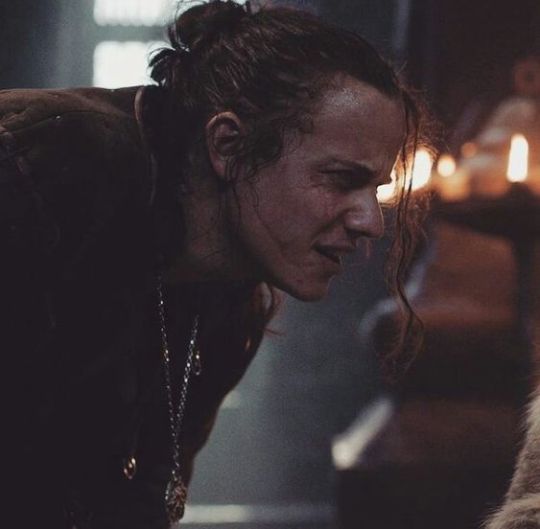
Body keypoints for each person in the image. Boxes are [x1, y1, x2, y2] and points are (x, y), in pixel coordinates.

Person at [0, 1, 425, 528]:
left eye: (375, 189)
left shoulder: (230, 303)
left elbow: (136, 501)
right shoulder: (39, 171)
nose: (372, 222)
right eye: (342, 179)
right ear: (228, 144)